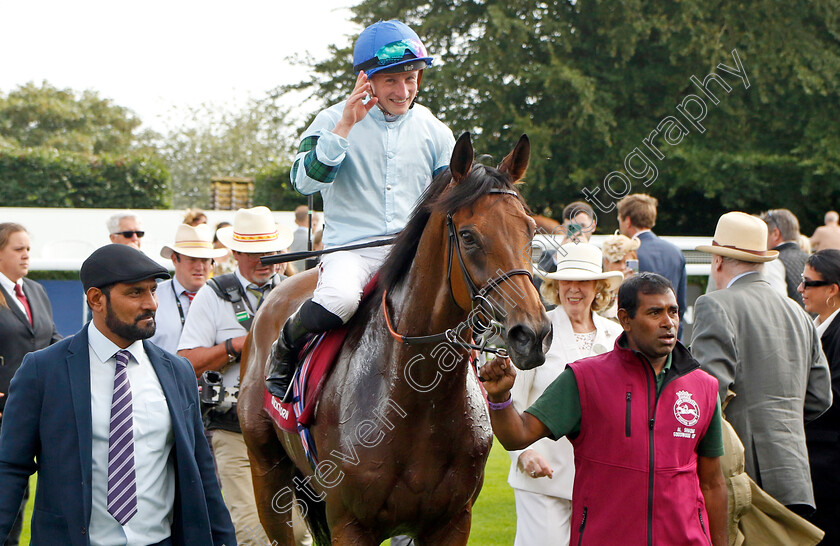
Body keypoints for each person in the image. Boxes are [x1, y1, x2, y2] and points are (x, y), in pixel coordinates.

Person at [265, 19, 456, 401]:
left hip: (412, 252)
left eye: (411, 78)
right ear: (366, 79)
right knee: (338, 301)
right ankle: (284, 347)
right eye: (391, 81)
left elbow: (450, 202)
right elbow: (304, 183)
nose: (404, 91)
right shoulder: (330, 119)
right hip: (350, 250)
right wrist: (344, 129)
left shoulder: (436, 131)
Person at [0, 244, 236, 545]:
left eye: (153, 291)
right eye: (135, 293)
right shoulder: (43, 371)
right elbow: (10, 466)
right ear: (96, 299)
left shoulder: (177, 372)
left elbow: (201, 471)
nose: (151, 303)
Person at [481, 273, 727, 545]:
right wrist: (500, 396)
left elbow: (713, 484)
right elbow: (518, 434)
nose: (668, 322)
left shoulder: (704, 387)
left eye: (673, 311)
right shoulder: (584, 379)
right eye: (655, 312)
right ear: (625, 320)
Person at [177, 206, 308, 546]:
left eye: (269, 251)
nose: (263, 260)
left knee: (301, 533)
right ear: (235, 252)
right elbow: (187, 361)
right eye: (253, 253)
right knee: (253, 532)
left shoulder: (299, 291)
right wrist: (238, 345)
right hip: (233, 429)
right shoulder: (212, 294)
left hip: (293, 430)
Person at [690, 211, 832, 515]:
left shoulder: (715, 304)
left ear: (718, 262)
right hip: (796, 475)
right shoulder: (798, 313)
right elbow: (821, 397)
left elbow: (707, 396)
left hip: (743, 480)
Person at [509, 243, 622, 545]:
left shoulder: (617, 336)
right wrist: (523, 454)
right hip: (542, 478)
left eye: (582, 281)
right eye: (566, 280)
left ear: (598, 286)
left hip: (601, 481)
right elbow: (508, 402)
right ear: (554, 285)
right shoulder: (535, 333)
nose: (573, 289)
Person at [0, 223, 61, 545]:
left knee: (25, 495)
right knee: (5, 495)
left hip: (38, 411)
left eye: (28, 248)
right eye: (18, 249)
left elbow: (52, 340)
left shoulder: (35, 290)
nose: (26, 255)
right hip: (1, 412)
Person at [798, 249, 840, 540]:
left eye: (808, 282)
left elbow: (833, 395)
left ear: (832, 289)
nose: (800, 288)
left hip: (830, 457)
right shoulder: (815, 325)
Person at [617, 193, 687, 337]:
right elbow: (681, 304)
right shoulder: (675, 251)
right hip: (670, 335)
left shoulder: (628, 252)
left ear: (627, 221)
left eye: (620, 219)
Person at [149, 223, 227, 353]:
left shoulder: (224, 299)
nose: (199, 267)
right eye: (192, 259)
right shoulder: (153, 298)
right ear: (174, 259)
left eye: (205, 260)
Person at [760, 208, 809, 307]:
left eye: (764, 234)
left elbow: (778, 305)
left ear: (775, 234)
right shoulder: (812, 258)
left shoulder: (773, 262)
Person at [600, 231, 641, 319]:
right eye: (617, 262)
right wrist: (615, 290)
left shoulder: (641, 290)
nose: (622, 267)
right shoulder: (598, 288)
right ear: (606, 262)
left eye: (626, 262)